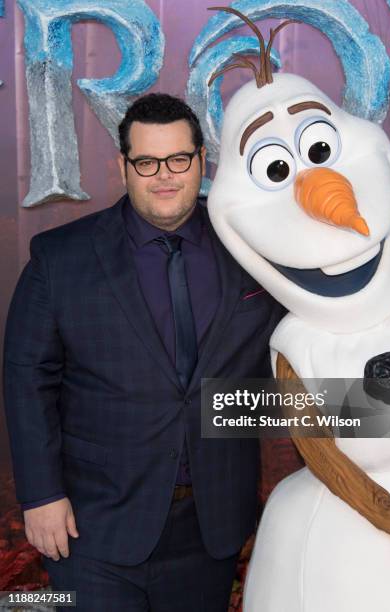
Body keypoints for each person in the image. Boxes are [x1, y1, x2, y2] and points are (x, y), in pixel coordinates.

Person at [3, 93, 284, 611]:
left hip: (212, 526)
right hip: (91, 527)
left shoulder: (254, 250)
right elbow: (27, 379)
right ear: (123, 166)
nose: (165, 175)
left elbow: (291, 361)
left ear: (202, 161)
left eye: (179, 159)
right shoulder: (60, 258)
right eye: (147, 162)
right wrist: (40, 494)